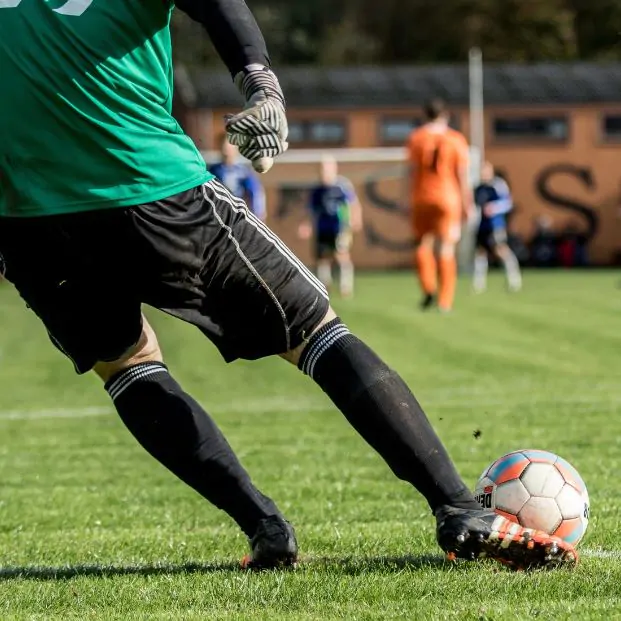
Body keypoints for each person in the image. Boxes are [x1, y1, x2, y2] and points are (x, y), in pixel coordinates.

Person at [0, 0, 576, 571]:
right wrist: (262, 87)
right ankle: (457, 508)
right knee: (314, 330)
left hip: (29, 218)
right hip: (149, 185)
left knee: (126, 366)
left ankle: (264, 526)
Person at [406, 99, 474, 313]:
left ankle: (428, 288)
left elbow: (411, 172)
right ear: (445, 115)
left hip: (422, 197)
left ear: (425, 115)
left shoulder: (416, 138)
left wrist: (405, 198)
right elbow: (462, 176)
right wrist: (467, 203)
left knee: (422, 244)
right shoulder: (455, 139)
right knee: (446, 247)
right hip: (447, 198)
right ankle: (445, 301)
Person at [298, 155, 362, 297]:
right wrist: (305, 225)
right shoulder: (317, 190)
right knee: (322, 258)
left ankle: (345, 286)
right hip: (322, 227)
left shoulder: (342, 186)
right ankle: (324, 286)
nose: (324, 171)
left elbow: (353, 204)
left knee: (341, 254)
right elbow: (310, 210)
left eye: (326, 168)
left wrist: (356, 219)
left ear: (334, 168)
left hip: (340, 227)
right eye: (321, 168)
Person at [473, 162, 522, 293]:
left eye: (486, 171)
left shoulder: (498, 185)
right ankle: (479, 284)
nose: (483, 174)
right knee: (480, 252)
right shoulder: (478, 188)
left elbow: (508, 202)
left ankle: (514, 280)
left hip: (496, 225)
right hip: (482, 226)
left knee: (501, 250)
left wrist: (494, 208)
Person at [210, 133, 267, 221]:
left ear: (236, 148)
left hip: (237, 217)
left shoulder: (244, 172)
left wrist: (259, 215)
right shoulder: (213, 171)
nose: (226, 150)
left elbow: (255, 193)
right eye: (223, 146)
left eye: (229, 146)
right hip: (217, 216)